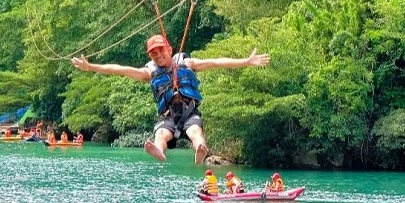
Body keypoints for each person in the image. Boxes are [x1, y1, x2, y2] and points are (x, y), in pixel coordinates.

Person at [72, 35, 270, 165]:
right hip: (167, 116)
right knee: (162, 134)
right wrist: (91, 67)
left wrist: (246, 61)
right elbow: (119, 69)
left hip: (189, 112)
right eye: (154, 53)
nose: (158, 56)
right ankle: (159, 150)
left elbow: (217, 62)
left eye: (161, 51)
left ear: (169, 48)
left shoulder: (187, 63)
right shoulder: (149, 72)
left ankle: (200, 150)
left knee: (195, 132)